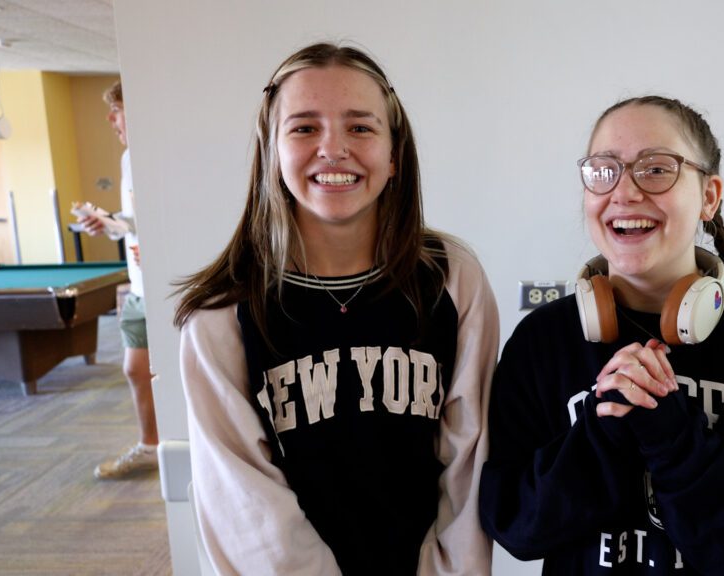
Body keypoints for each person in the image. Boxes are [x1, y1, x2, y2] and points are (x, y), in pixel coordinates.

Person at [479, 96, 724, 575]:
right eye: (604, 171)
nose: (624, 192)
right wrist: (602, 433)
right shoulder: (543, 341)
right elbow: (514, 525)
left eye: (657, 169)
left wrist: (677, 443)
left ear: (709, 197)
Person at [173, 42, 499, 575]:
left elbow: (468, 461)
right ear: (272, 152)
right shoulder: (221, 311)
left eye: (360, 128)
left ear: (394, 156)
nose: (333, 149)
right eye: (304, 128)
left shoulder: (452, 277)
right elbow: (244, 506)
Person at [78, 80, 158, 480]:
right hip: (139, 286)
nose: (112, 120)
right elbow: (137, 220)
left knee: (175, 374)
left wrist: (162, 251)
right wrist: (108, 222)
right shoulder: (129, 159)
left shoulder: (162, 153)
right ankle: (150, 446)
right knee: (134, 369)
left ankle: (180, 447)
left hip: (164, 288)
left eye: (118, 112)